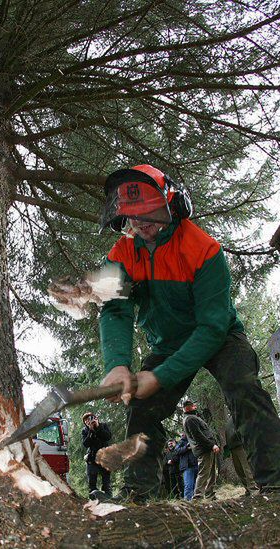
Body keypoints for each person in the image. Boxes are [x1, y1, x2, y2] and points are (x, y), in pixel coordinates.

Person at [98, 163, 280, 502]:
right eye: (133, 215)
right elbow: (113, 308)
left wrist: (163, 375)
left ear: (171, 205)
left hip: (219, 336)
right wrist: (118, 363)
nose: (142, 223)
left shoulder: (204, 249)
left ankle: (275, 483)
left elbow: (212, 327)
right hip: (167, 342)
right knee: (142, 407)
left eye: (150, 212)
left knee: (243, 386)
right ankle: (139, 496)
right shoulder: (120, 253)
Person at [182, 401, 220, 500]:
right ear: (187, 408)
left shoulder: (193, 418)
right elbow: (198, 436)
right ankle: (197, 497)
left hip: (206, 449)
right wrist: (212, 445)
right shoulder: (190, 419)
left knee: (212, 473)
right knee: (204, 473)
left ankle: (210, 495)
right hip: (204, 450)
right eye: (192, 406)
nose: (195, 406)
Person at [82, 412, 112, 499]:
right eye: (86, 420)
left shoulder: (103, 426)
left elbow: (107, 437)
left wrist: (98, 427)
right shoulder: (85, 430)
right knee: (92, 482)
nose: (89, 421)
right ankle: (93, 500)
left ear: (96, 418)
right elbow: (86, 444)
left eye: (91, 418)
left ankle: (108, 499)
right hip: (92, 459)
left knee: (106, 482)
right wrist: (91, 431)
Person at [224, 416, 258, 496]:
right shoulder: (231, 418)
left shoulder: (241, 415)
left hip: (241, 445)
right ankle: (248, 490)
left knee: (247, 468)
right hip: (233, 447)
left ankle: (254, 489)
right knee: (239, 470)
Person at [175, 432, 198, 501]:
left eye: (183, 433)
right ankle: (187, 502)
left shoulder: (193, 440)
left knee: (196, 485)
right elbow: (176, 451)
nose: (182, 435)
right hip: (187, 467)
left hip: (196, 465)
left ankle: (195, 500)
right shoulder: (181, 442)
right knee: (188, 485)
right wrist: (187, 447)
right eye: (181, 434)